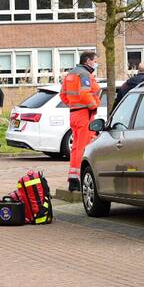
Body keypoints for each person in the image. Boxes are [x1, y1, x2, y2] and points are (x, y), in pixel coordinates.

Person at [60, 51, 101, 192]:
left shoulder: (70, 74)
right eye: (95, 61)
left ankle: (73, 178)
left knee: (76, 147)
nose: (96, 63)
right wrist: (93, 105)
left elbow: (63, 95)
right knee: (83, 147)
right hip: (84, 114)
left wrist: (73, 105)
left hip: (74, 114)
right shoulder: (84, 74)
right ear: (88, 61)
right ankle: (78, 179)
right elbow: (85, 93)